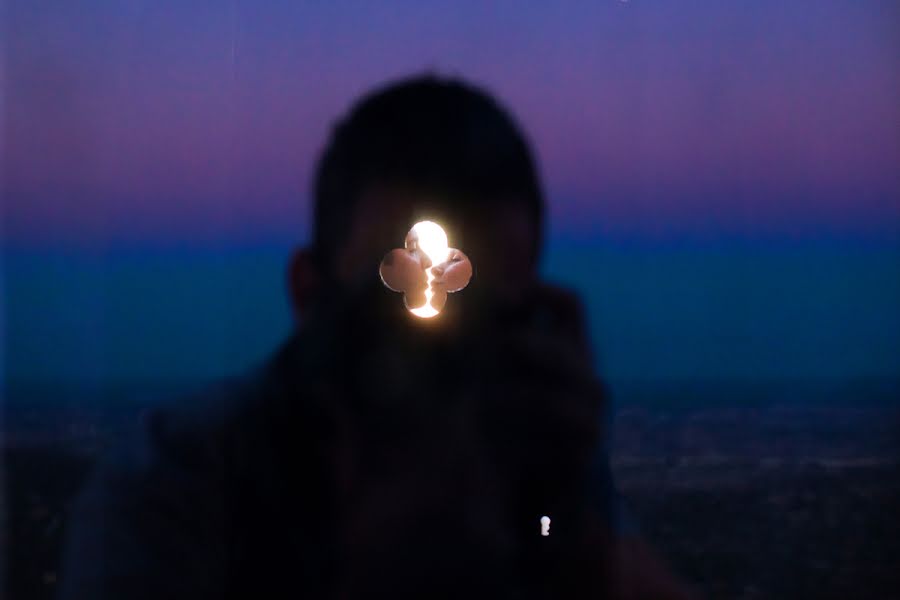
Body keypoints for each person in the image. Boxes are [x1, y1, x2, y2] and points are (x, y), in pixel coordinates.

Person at [59, 75, 695, 599]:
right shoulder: (178, 481)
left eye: (485, 315)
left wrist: (562, 530)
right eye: (390, 300)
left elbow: (585, 550)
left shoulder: (532, 458)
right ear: (311, 292)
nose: (439, 340)